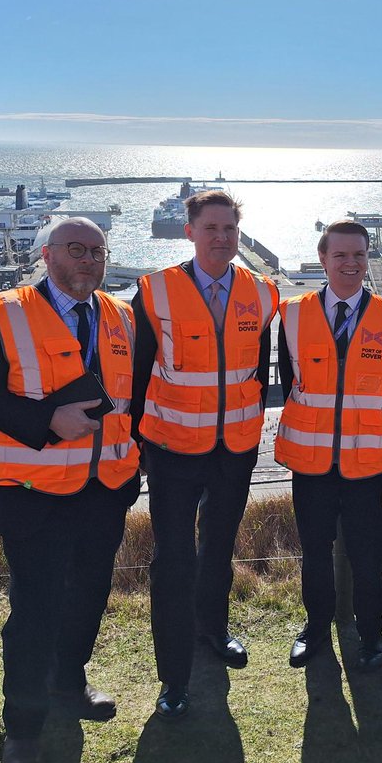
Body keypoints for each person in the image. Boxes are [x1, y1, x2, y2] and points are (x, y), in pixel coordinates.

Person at [0, 217, 140, 763]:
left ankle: (70, 681)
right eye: (77, 249)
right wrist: (46, 420)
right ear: (46, 254)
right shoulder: (2, 313)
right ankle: (23, 730)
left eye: (99, 251)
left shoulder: (121, 317)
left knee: (89, 595)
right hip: (34, 494)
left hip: (103, 490)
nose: (89, 259)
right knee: (34, 613)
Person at [131, 189, 278, 719]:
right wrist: (134, 443)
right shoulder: (154, 291)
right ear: (189, 231)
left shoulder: (263, 293)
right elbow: (137, 371)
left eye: (230, 230)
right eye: (211, 228)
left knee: (219, 546)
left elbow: (259, 370)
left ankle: (213, 631)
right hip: (171, 447)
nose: (222, 238)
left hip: (235, 448)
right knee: (173, 560)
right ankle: (173, 677)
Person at [276, 219, 382, 671]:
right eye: (341, 255)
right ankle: (315, 630)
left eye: (359, 255)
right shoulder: (291, 314)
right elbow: (288, 384)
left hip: (369, 470)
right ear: (323, 259)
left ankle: (372, 636)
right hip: (311, 466)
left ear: (367, 257)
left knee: (369, 559)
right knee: (313, 555)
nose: (350, 264)